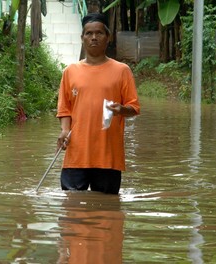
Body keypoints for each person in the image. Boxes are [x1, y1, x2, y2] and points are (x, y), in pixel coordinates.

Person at [56, 12, 140, 195]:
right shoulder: (70, 72)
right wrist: (64, 131)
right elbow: (64, 109)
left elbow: (134, 108)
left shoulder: (122, 71)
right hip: (76, 155)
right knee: (72, 209)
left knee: (106, 212)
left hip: (108, 157)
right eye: (89, 33)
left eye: (99, 33)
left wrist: (121, 110)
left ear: (107, 38)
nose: (94, 37)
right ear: (82, 38)